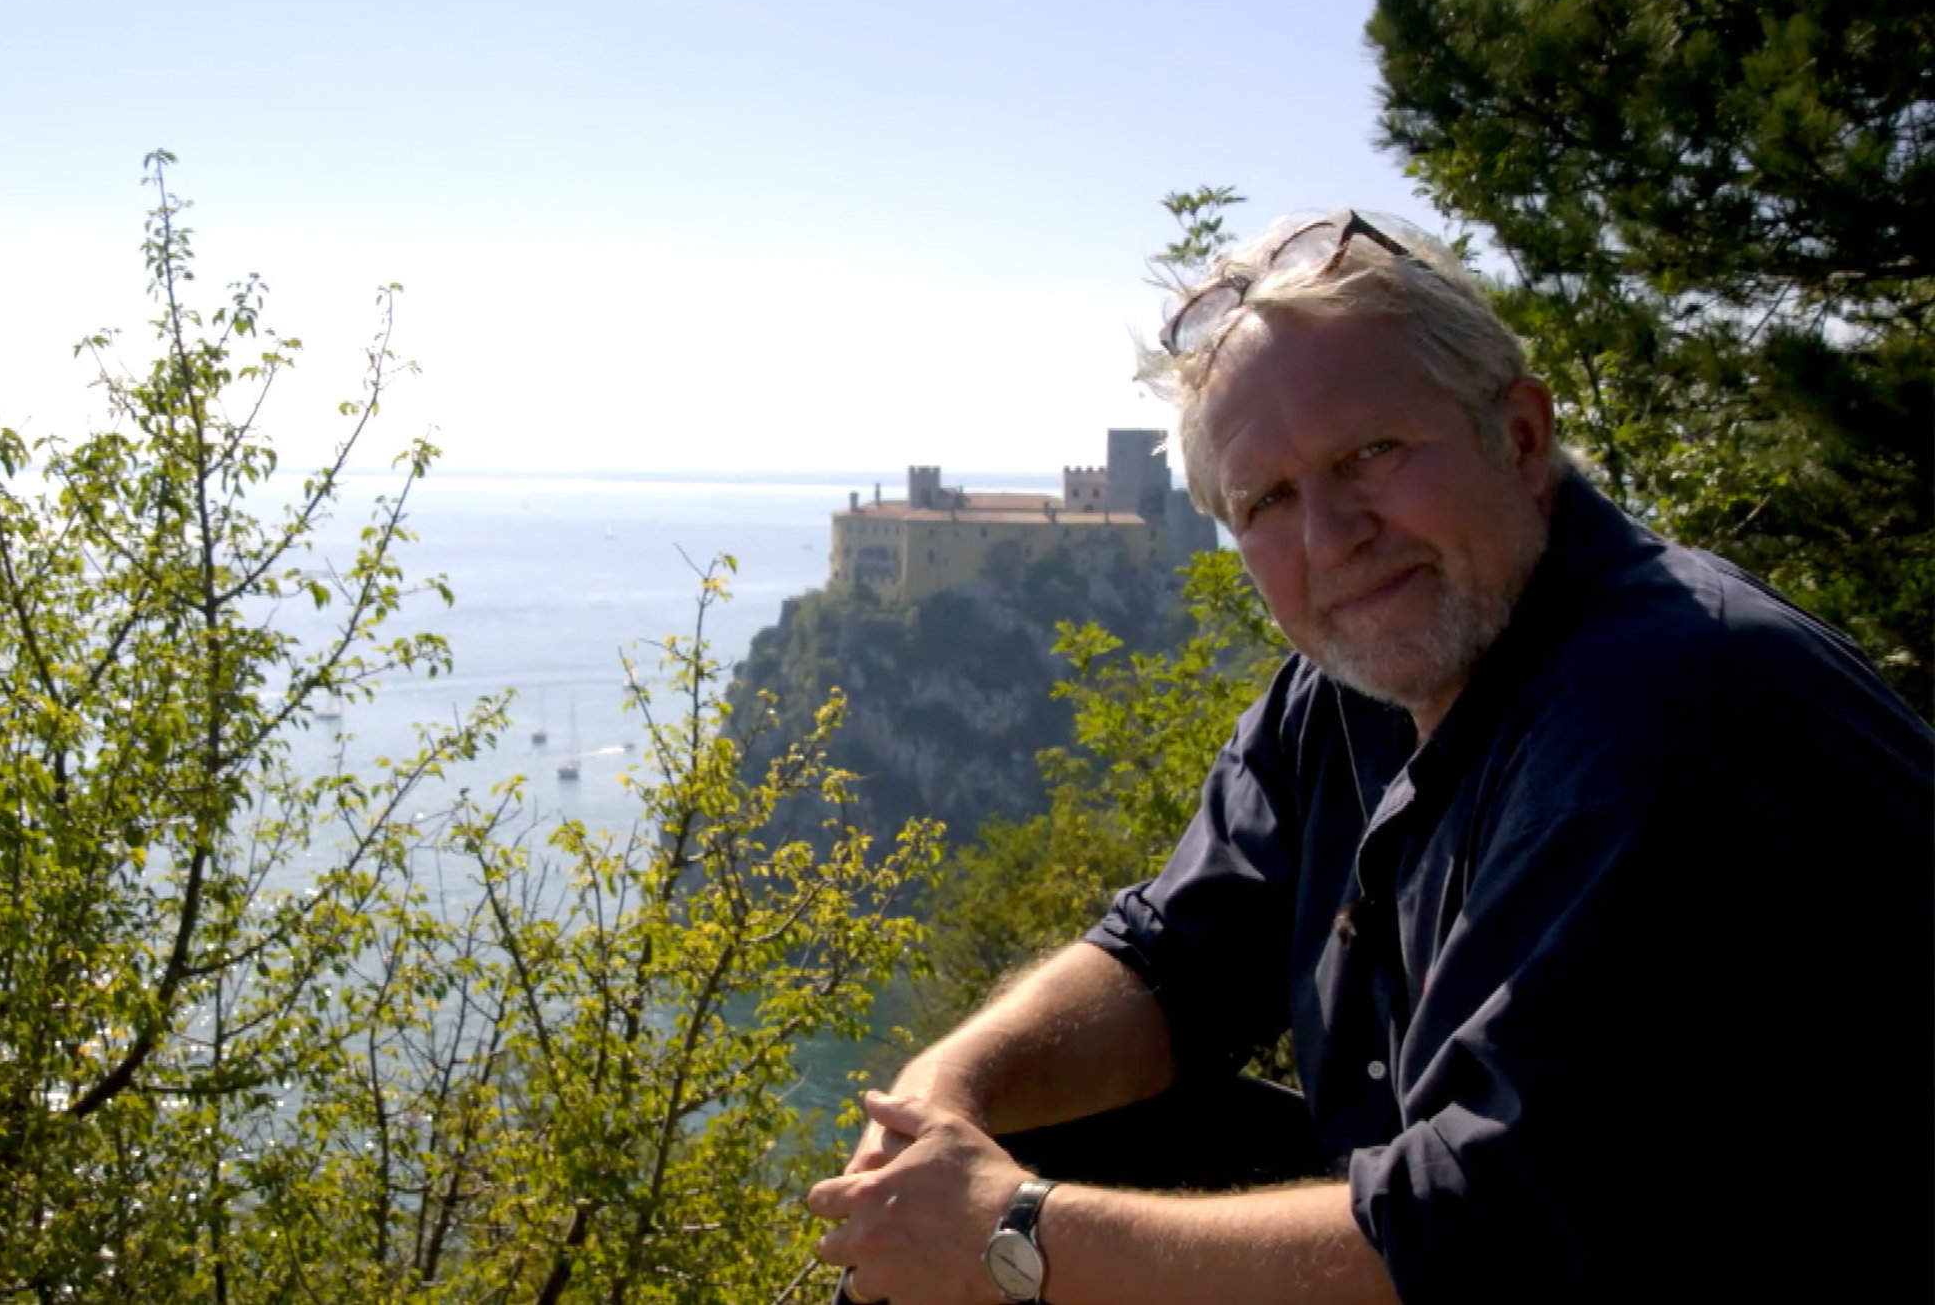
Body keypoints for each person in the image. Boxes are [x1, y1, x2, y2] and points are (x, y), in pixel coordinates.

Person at [804, 210, 1935, 1304]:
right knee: (1016, 1129)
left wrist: (1015, 1237)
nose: (1333, 536)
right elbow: (1172, 961)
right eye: (1271, 501)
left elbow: (1493, 1228)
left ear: (1522, 438)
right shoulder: (1358, 684)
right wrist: (943, 1092)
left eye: (1373, 453)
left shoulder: (1673, 706)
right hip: (1512, 1233)